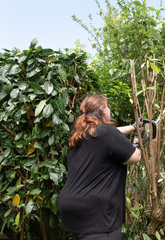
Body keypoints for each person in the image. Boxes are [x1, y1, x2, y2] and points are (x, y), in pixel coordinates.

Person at [58, 94, 141, 240]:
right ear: (103, 109)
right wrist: (136, 144)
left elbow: (110, 134)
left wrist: (133, 127)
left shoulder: (79, 137)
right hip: (97, 214)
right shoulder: (105, 132)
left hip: (72, 209)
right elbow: (135, 157)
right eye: (108, 106)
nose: (109, 109)